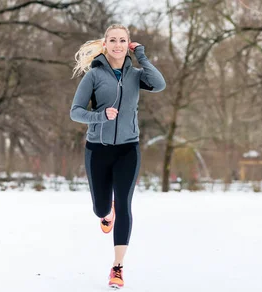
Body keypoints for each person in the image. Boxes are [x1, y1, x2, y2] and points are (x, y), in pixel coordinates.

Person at [69, 24, 166, 289]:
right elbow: (75, 111)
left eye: (123, 40)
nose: (117, 44)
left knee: (123, 203)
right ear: (105, 44)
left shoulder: (136, 75)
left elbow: (159, 85)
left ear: (128, 44)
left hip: (128, 149)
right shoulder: (93, 76)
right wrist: (100, 116)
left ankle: (118, 266)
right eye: (112, 40)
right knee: (101, 207)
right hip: (97, 149)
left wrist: (142, 57)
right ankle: (105, 213)